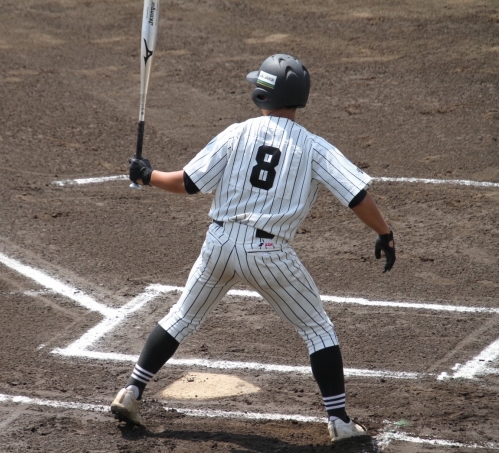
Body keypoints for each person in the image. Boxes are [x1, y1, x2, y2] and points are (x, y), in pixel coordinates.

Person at [111, 54, 395, 443]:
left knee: (182, 316)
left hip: (219, 244)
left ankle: (132, 390)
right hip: (268, 252)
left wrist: (146, 175)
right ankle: (340, 422)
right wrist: (384, 232)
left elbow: (188, 183)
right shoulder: (314, 147)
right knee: (317, 329)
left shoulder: (236, 133)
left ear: (263, 93)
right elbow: (357, 195)